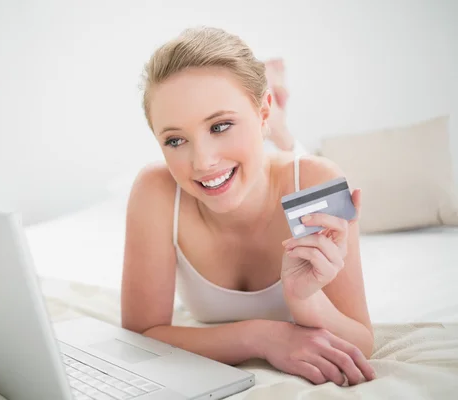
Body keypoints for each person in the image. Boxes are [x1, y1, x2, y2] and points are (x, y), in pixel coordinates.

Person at [120, 27, 376, 387]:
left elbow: (361, 341)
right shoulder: (156, 191)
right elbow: (140, 335)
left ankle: (280, 125)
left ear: (262, 110)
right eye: (175, 140)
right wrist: (260, 337)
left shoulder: (316, 182)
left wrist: (305, 298)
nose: (203, 162)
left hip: (285, 161)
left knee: (287, 153)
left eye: (220, 126)